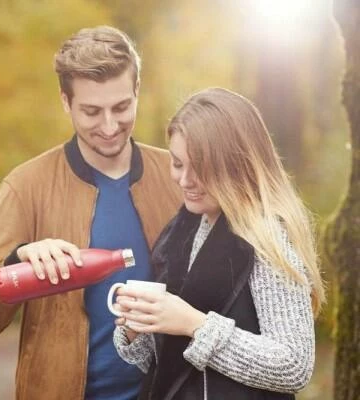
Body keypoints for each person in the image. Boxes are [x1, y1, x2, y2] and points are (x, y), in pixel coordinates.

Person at [0, 26, 182, 399]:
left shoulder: (180, 177)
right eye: (92, 111)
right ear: (65, 102)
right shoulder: (25, 186)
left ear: (137, 91)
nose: (110, 126)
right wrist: (16, 260)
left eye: (121, 107)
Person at [113, 87, 325, 400]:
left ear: (237, 163)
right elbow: (169, 366)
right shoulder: (182, 229)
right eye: (178, 163)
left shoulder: (267, 237)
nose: (185, 180)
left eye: (201, 167)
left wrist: (194, 324)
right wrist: (138, 328)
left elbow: (294, 365)